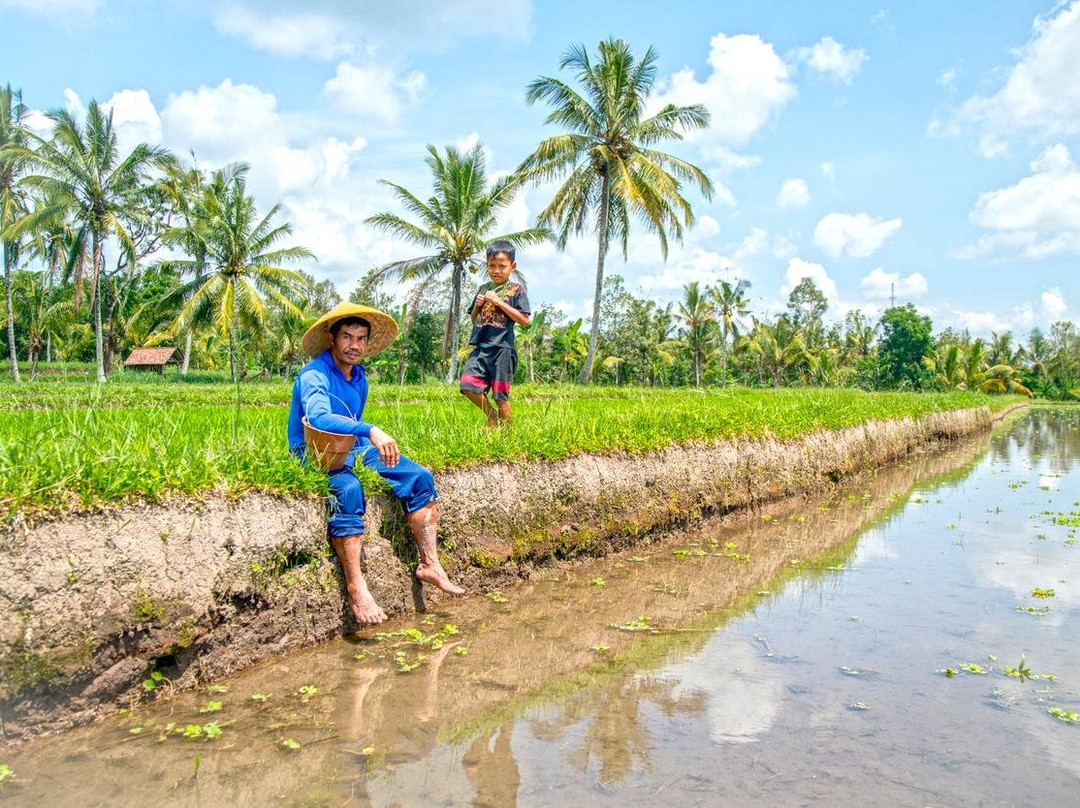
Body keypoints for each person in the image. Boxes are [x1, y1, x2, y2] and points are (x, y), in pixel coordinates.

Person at [288, 302, 464, 625]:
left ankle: (430, 562)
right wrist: (369, 430)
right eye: (347, 337)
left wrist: (365, 434)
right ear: (331, 338)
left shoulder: (359, 377)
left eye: (360, 338)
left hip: (352, 447)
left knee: (419, 477)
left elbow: (352, 420)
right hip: (314, 452)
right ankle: (356, 586)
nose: (354, 345)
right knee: (350, 489)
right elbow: (318, 417)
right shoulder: (314, 373)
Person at [459, 241, 531, 427]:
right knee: (468, 384)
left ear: (512, 267)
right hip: (481, 348)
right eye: (492, 266)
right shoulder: (483, 289)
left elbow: (524, 321)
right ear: (487, 266)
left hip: (502, 349)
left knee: (500, 396)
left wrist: (499, 302)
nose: (496, 270)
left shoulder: (516, 290)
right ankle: (491, 416)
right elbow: (475, 320)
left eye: (502, 266)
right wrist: (477, 306)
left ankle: (509, 438)